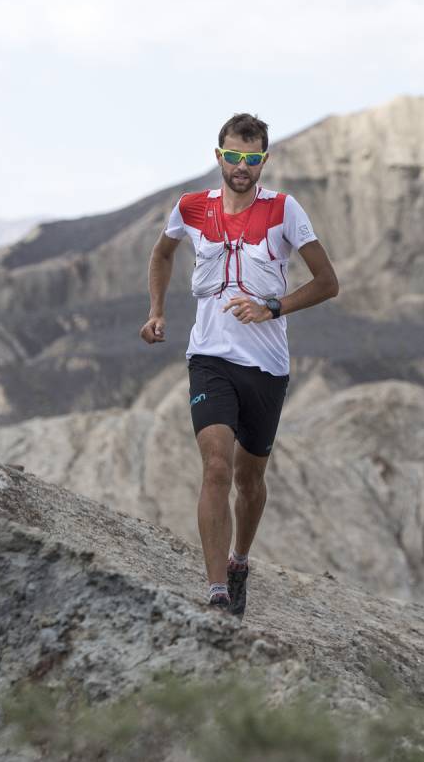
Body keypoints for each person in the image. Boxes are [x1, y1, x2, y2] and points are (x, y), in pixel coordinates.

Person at [139, 113, 339, 617]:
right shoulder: (190, 208)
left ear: (263, 161)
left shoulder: (284, 210)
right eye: (233, 156)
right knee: (216, 468)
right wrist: (157, 311)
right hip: (209, 359)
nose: (241, 167)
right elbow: (161, 255)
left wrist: (273, 307)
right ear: (218, 156)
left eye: (251, 159)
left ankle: (240, 561)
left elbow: (327, 282)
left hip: (266, 367)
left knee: (250, 482)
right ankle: (216, 594)